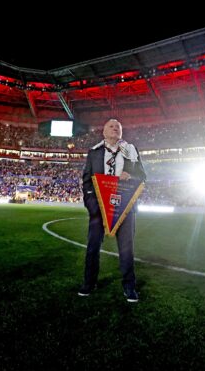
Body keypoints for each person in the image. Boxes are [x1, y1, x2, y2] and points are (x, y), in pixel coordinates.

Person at [78, 118, 146, 302]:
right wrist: (92, 206)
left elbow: (142, 175)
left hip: (125, 207)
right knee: (92, 248)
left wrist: (130, 175)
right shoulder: (94, 153)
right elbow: (86, 181)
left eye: (118, 127)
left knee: (126, 249)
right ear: (104, 132)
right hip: (98, 209)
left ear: (121, 132)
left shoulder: (131, 151)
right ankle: (89, 282)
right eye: (111, 126)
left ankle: (129, 286)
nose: (115, 128)